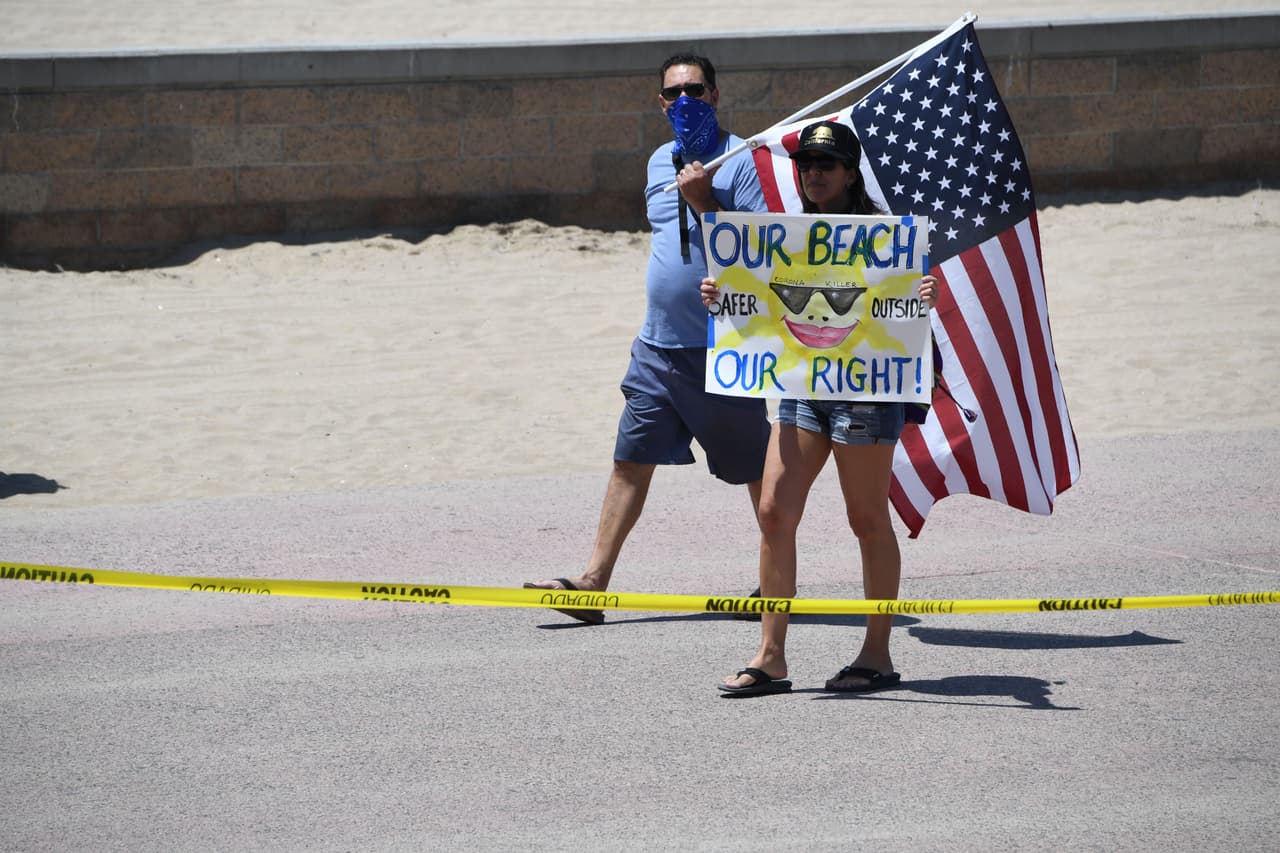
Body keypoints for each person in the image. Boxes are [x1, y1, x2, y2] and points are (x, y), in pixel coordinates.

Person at [523, 54, 772, 623]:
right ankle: (592, 583)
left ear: (715, 94)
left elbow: (760, 256)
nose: (684, 100)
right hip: (657, 347)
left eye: (695, 89)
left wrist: (706, 200)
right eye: (673, 93)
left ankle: (774, 583)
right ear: (661, 103)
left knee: (756, 472)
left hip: (722, 350)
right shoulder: (659, 160)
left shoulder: (745, 163)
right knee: (630, 461)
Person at [701, 120, 938, 695]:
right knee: (775, 513)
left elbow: (900, 312)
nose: (812, 174)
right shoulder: (789, 234)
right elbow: (759, 301)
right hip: (802, 387)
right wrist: (722, 296)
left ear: (850, 172)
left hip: (863, 392)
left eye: (825, 165)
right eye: (805, 165)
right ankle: (770, 656)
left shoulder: (882, 234)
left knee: (865, 520)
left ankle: (876, 654)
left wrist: (922, 294)